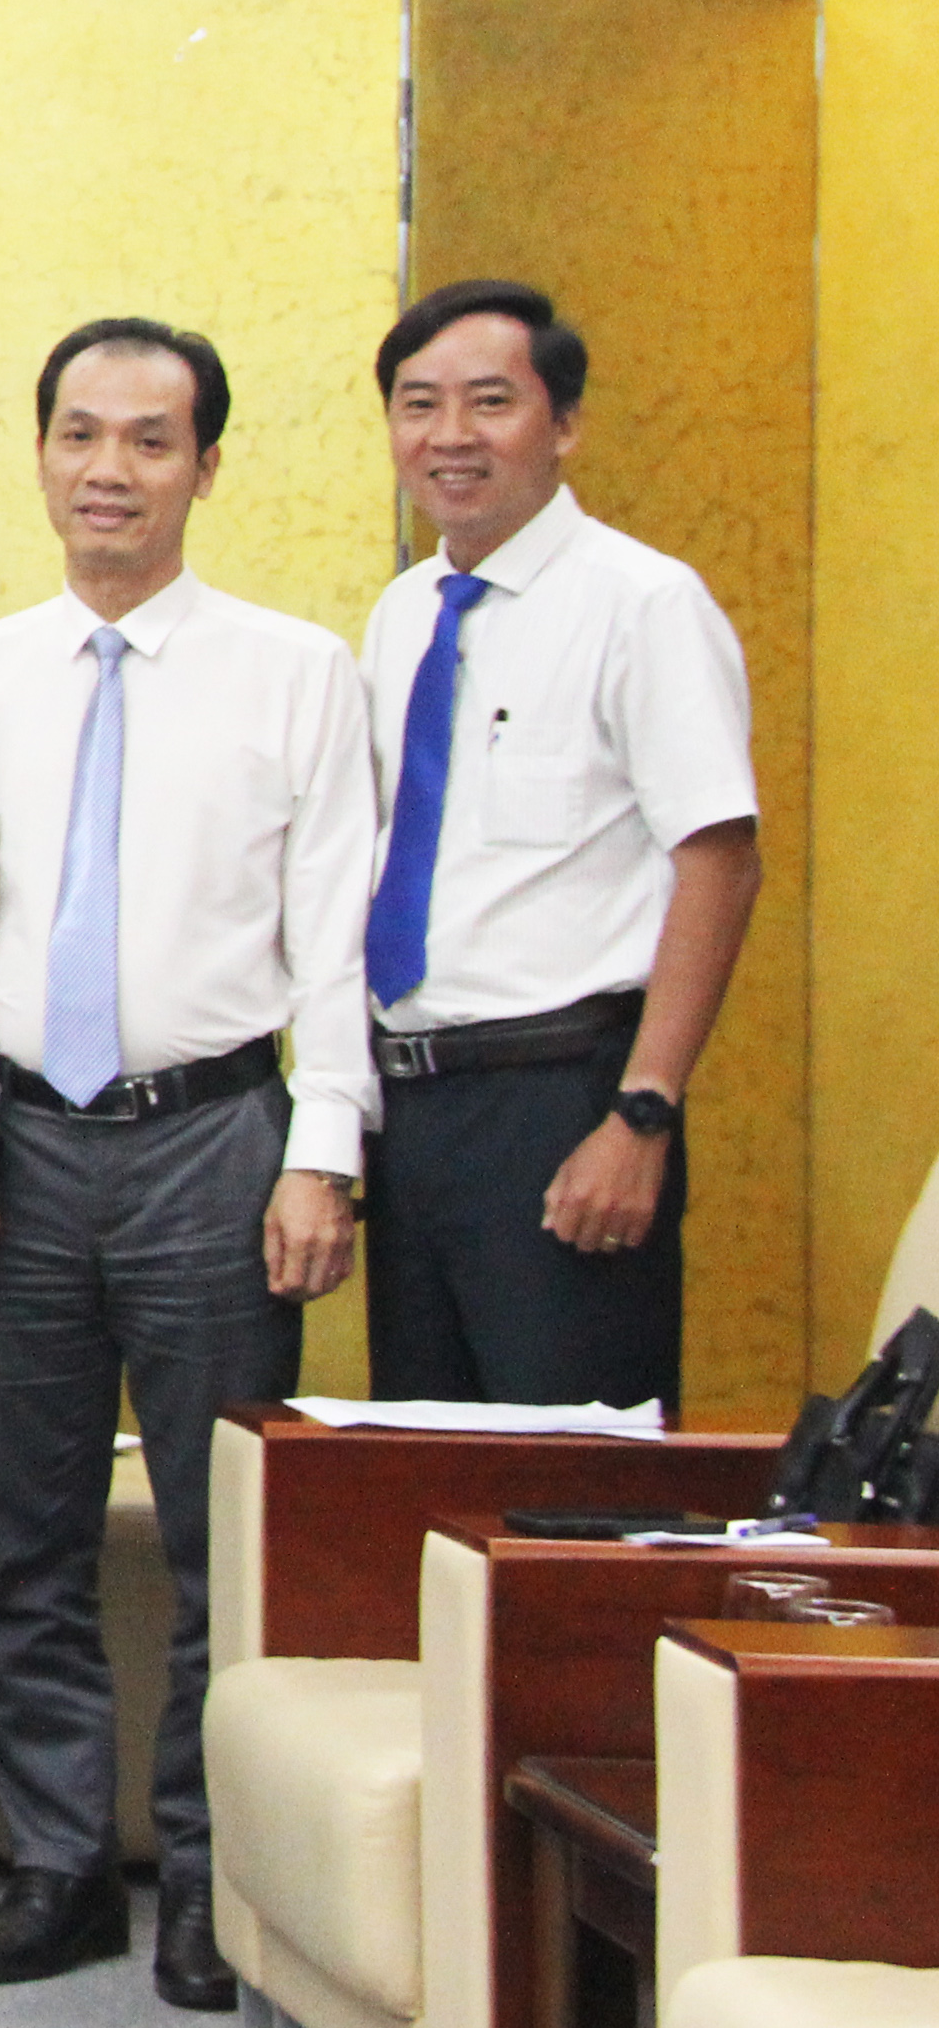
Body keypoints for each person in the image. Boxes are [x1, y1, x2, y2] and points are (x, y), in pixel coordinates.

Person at [0, 319, 373, 2011]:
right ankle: (57, 1863)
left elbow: (332, 931)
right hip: (20, 1140)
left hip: (214, 1137)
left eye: (145, 439)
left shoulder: (294, 670)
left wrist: (316, 1154)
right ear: (37, 452)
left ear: (205, 463)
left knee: (220, 1543)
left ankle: (204, 1881)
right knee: (24, 1532)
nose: (104, 469)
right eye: (74, 434)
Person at [358, 279, 761, 1413]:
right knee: (431, 1480)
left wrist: (643, 1112)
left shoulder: (643, 602)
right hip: (417, 1111)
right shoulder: (406, 613)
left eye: (491, 402)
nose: (449, 436)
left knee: (572, 1481)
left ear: (565, 423)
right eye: (417, 403)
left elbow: (721, 860)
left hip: (564, 1100)